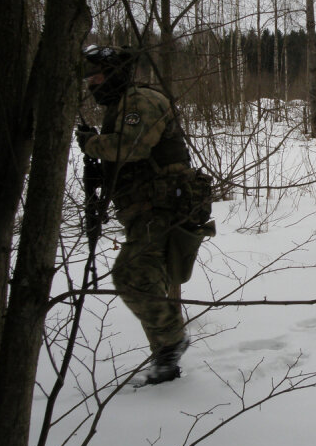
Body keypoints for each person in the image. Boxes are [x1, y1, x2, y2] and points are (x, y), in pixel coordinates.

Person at [76, 45, 213, 385]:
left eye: (96, 77)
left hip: (164, 208)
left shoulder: (140, 101)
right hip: (147, 209)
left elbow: (132, 146)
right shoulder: (123, 105)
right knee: (151, 280)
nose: (92, 84)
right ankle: (165, 362)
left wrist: (92, 144)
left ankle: (171, 342)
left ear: (114, 74)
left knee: (132, 276)